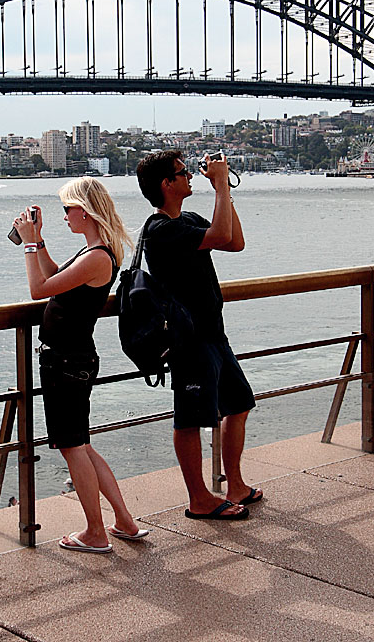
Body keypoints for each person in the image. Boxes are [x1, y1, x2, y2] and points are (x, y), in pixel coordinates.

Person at [12, 176, 149, 553]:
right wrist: (38, 241)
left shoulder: (97, 257)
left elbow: (40, 289)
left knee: (73, 448)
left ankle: (95, 533)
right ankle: (123, 521)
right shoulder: (97, 252)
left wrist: (27, 246)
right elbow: (57, 277)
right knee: (83, 446)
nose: (65, 216)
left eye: (67, 209)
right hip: (75, 358)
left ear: (85, 212)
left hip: (65, 361)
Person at [136, 151, 263, 520]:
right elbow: (222, 234)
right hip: (188, 340)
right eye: (182, 172)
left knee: (239, 404)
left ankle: (234, 484)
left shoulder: (187, 219)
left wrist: (225, 192)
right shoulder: (160, 230)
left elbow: (234, 240)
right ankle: (199, 498)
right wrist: (221, 185)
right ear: (167, 184)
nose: (189, 175)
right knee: (189, 419)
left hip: (214, 334)